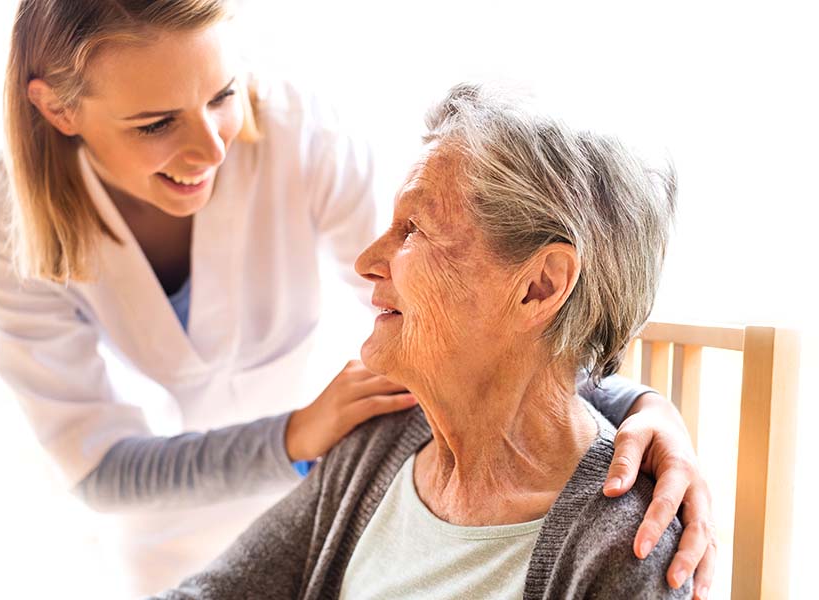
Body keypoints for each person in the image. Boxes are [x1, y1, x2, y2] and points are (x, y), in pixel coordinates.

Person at [0, 1, 713, 596]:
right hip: (203, 524)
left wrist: (640, 404)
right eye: (157, 123)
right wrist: (296, 440)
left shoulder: (295, 132)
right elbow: (100, 468)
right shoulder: (1, 215)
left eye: (225, 94)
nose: (213, 146)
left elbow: (482, 306)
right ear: (59, 110)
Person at [154, 83, 691, 599]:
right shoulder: (377, 441)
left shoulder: (627, 548)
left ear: (539, 286)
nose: (366, 262)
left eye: (413, 228)